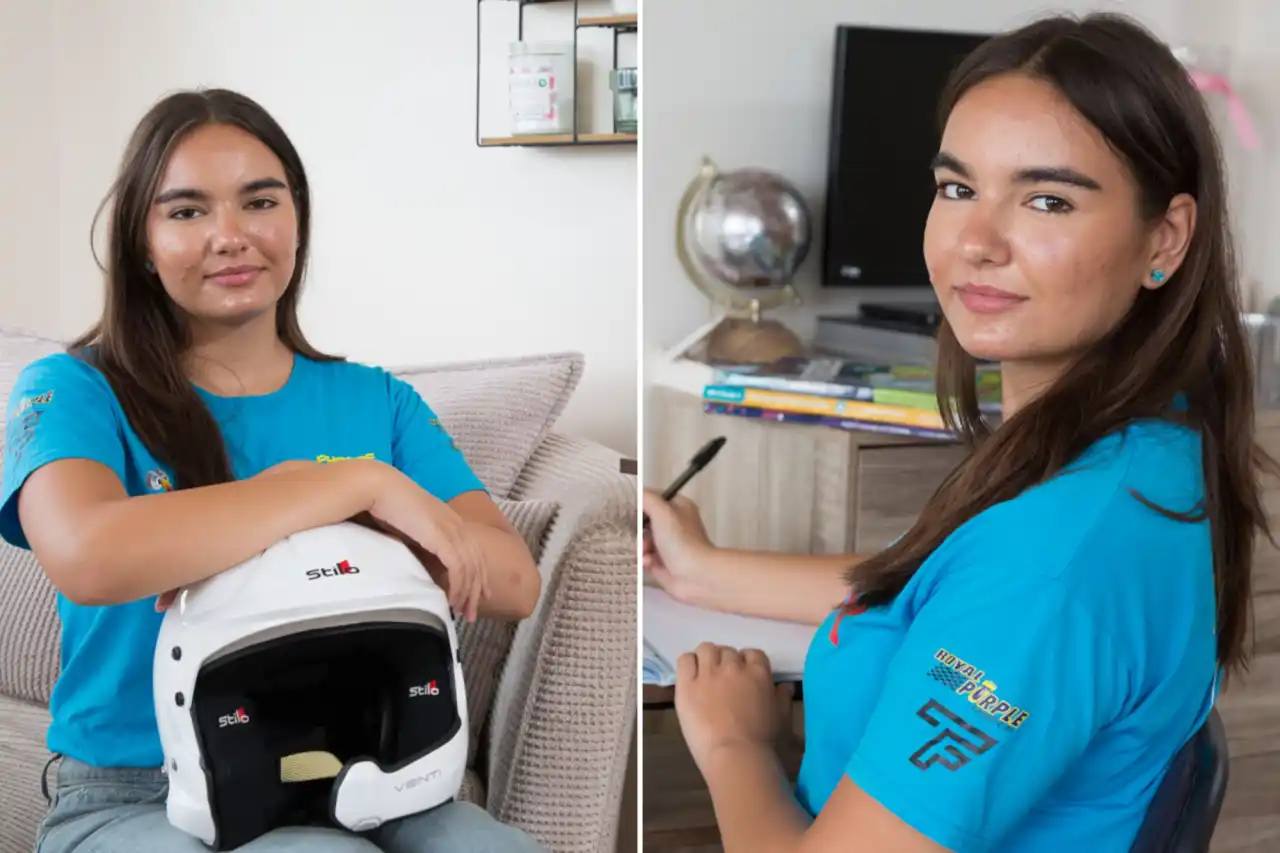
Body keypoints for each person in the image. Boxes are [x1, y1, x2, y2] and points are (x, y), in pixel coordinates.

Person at [643, 13, 1274, 853]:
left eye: (1047, 199)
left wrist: (735, 744)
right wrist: (703, 571)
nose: (974, 242)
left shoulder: (1060, 557)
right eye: (957, 188)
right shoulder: (1135, 445)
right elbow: (941, 589)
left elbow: (1018, 596)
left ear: (1164, 239)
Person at [2, 88, 546, 853]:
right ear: (141, 243)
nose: (230, 236)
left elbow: (513, 580)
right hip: (136, 793)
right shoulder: (73, 390)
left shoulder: (377, 402)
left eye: (259, 201)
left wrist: (347, 500)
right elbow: (89, 556)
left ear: (297, 221)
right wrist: (352, 487)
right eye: (187, 211)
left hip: (378, 773)